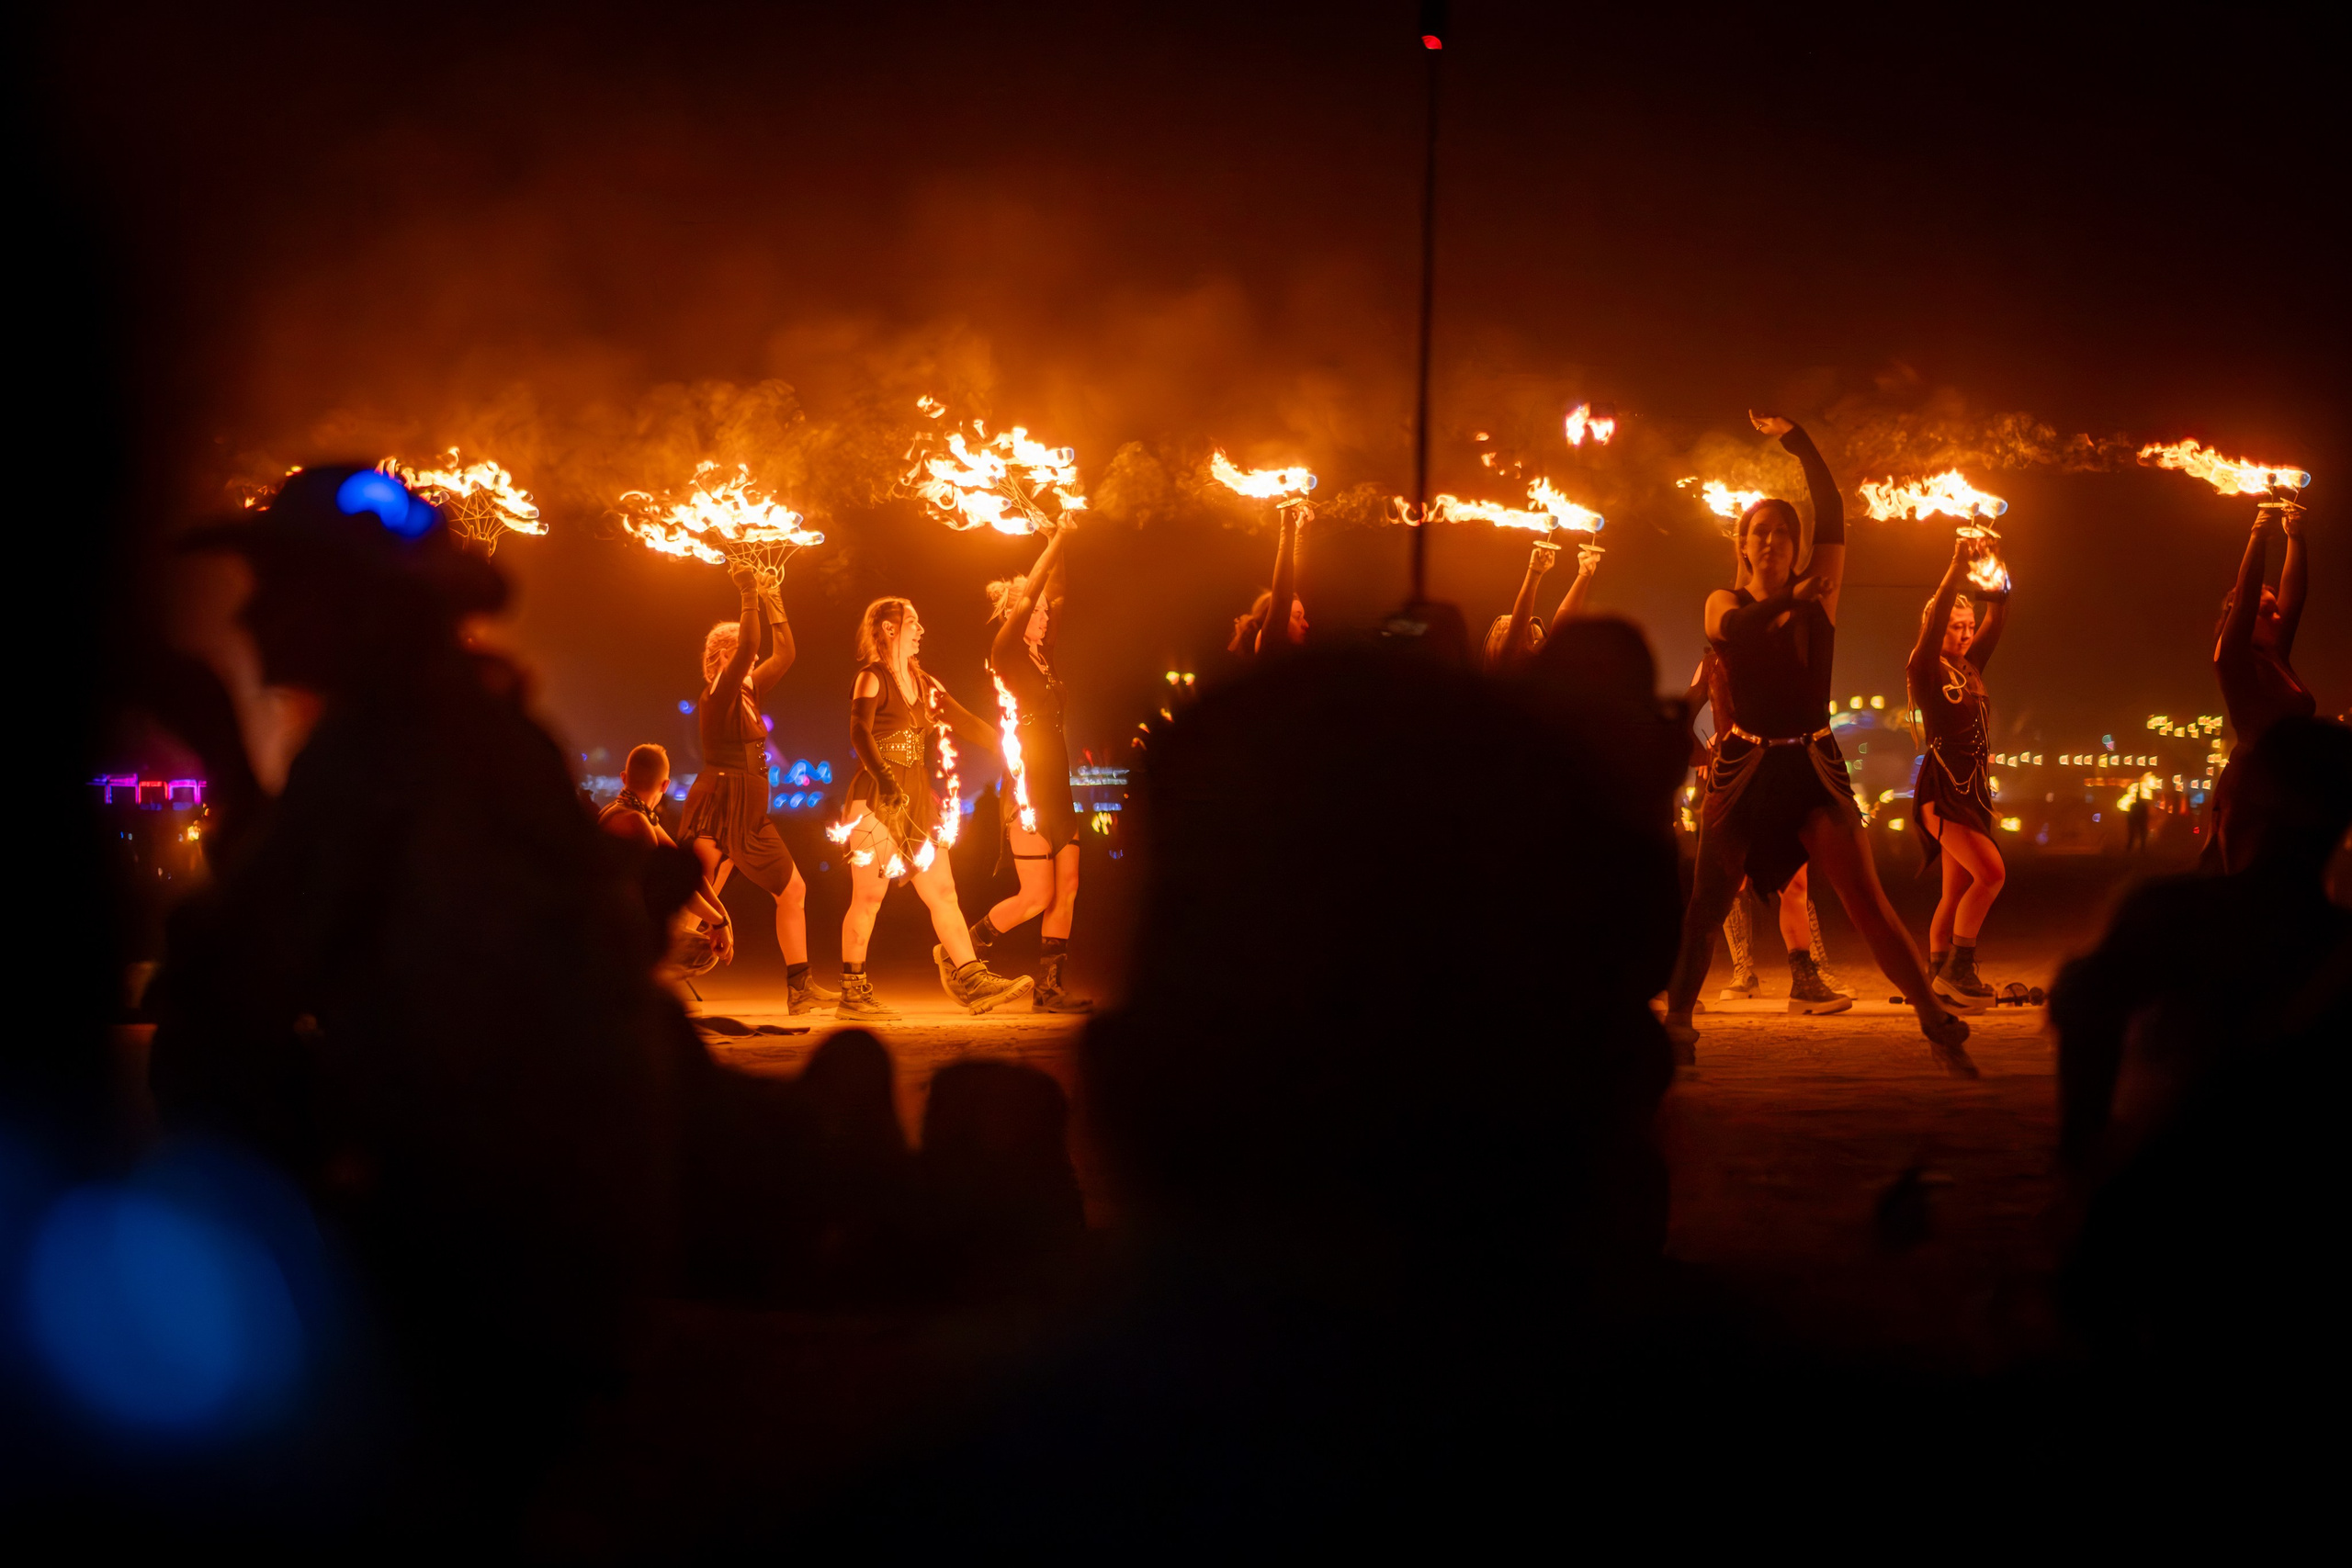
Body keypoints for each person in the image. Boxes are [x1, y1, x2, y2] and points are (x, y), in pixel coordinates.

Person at [1659, 412, 1971, 1073]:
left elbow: (1832, 509)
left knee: (1867, 901)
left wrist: (1796, 439)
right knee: (1706, 906)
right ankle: (1680, 1023)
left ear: (1798, 546)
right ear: (1743, 545)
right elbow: (1735, 630)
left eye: (1782, 533)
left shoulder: (1819, 599)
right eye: (1759, 532)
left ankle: (1932, 1015)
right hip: (1743, 767)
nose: (1770, 540)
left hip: (1811, 764)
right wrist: (1794, 596)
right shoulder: (1724, 598)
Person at [837, 595, 1032, 1020]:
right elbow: (859, 733)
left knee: (944, 892)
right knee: (869, 897)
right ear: (890, 629)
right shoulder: (871, 678)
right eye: (913, 622)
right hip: (876, 796)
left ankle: (972, 977)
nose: (921, 631)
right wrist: (885, 781)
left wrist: (1013, 750)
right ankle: (852, 992)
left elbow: (965, 722)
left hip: (919, 799)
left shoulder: (926, 685)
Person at [677, 565, 833, 1013]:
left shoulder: (747, 692)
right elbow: (751, 645)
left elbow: (784, 654)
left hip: (751, 813)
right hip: (718, 803)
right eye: (742, 656)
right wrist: (747, 589)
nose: (752, 661)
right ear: (724, 659)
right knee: (696, 897)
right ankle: (654, 981)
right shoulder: (721, 693)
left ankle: (800, 987)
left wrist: (773, 594)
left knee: (794, 890)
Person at [968, 525, 1092, 1012]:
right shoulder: (1006, 654)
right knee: (1036, 895)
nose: (1043, 616)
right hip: (1025, 787)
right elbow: (1040, 590)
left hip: (1058, 786)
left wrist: (1057, 532)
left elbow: (1056, 590)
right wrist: (1054, 539)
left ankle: (1049, 988)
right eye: (1035, 610)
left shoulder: (1045, 657)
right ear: (1015, 613)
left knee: (1070, 887)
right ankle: (968, 947)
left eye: (1044, 613)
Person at [1684, 649, 1849, 1010]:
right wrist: (1705, 755)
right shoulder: (1715, 661)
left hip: (1781, 773)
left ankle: (1806, 978)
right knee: (1721, 885)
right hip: (1735, 779)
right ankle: (1707, 984)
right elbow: (1683, 714)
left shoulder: (1787, 650)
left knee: (1797, 879)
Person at [1905, 536, 2011, 1011]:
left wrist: (1992, 560)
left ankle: (1938, 973)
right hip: (1943, 789)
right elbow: (1941, 611)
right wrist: (1956, 563)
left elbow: (2001, 611)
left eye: (1968, 627)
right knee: (1991, 874)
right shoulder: (1924, 666)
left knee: (1956, 889)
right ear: (1935, 626)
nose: (1966, 635)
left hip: (1974, 792)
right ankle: (1960, 971)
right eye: (1954, 627)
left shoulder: (1969, 665)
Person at [2205, 501, 2312, 872]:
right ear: (2243, 616)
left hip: (2291, 787)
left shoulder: (2274, 654)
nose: (2279, 615)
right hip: (2253, 792)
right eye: (2268, 611)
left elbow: (2295, 596)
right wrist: (2260, 530)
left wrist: (2294, 533)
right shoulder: (2232, 659)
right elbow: (2247, 594)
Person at [598, 741, 735, 980]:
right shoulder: (634, 821)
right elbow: (672, 884)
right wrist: (718, 922)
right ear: (665, 785)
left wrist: (722, 916)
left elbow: (690, 876)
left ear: (623, 777)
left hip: (613, 929)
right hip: (609, 936)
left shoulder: (633, 813)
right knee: (704, 952)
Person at [1483, 537, 1602, 672]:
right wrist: (1584, 575)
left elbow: (1561, 625)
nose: (1512, 623)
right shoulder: (1510, 667)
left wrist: (1583, 574)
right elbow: (1559, 626)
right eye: (1507, 627)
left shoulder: (1539, 666)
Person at [1228, 497, 1309, 657]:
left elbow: (1286, 592)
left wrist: (1301, 530)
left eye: (1299, 617)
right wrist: (1288, 523)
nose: (1306, 625)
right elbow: (1283, 596)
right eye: (1298, 617)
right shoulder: (1270, 648)